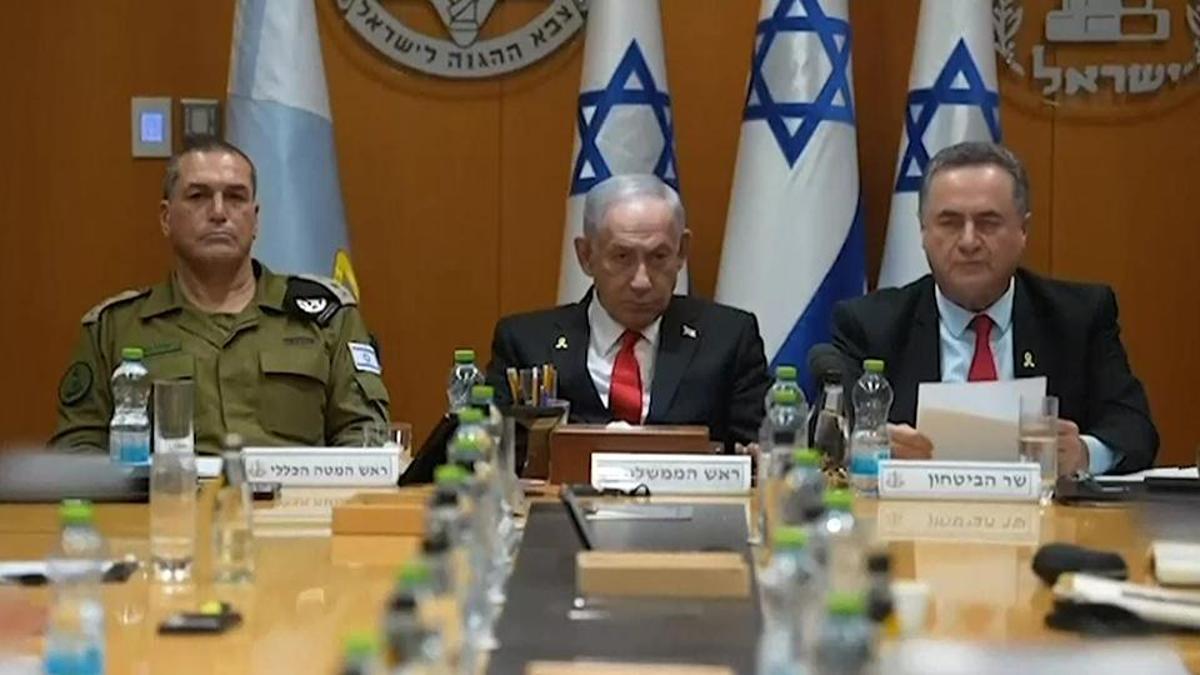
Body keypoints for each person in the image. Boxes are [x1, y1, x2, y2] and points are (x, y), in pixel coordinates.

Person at [832, 142, 1157, 474]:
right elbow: (831, 436)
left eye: (988, 222)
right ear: (923, 232)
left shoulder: (1079, 317)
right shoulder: (870, 325)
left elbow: (1134, 429)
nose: (969, 241)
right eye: (950, 222)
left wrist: (1083, 454)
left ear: (1023, 231)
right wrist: (868, 447)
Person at [51, 138, 390, 454]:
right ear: (166, 218)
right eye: (198, 196)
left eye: (235, 197)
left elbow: (365, 436)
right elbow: (78, 452)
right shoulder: (113, 329)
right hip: (165, 497)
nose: (218, 212)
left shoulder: (327, 318)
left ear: (255, 220)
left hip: (298, 500)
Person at [486, 174, 770, 452]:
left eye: (658, 257)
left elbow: (758, 451)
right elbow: (493, 454)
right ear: (586, 256)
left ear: (681, 252)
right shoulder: (525, 344)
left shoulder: (729, 339)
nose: (641, 282)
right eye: (622, 257)